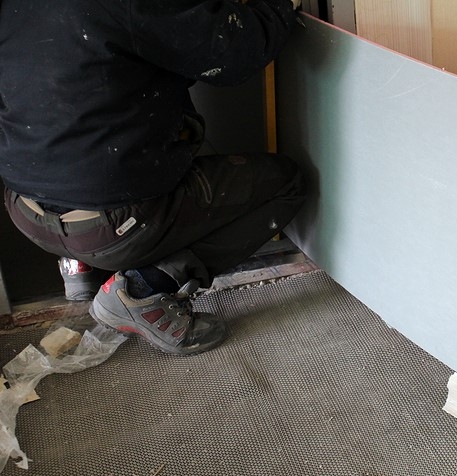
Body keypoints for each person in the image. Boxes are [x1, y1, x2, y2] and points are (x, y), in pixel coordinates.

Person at [0, 0, 306, 355]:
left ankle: (82, 268)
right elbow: (235, 52)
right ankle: (142, 289)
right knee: (285, 184)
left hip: (26, 209)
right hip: (114, 224)